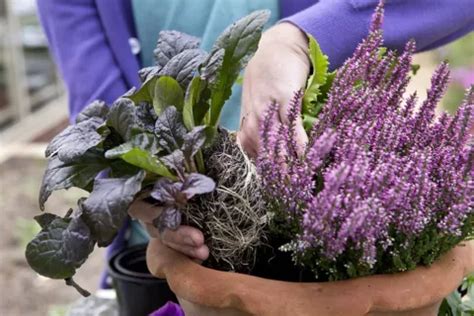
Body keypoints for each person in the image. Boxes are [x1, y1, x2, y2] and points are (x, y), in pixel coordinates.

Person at [37, 0, 474, 283]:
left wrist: (302, 37)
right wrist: (138, 183)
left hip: (330, 227)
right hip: (175, 242)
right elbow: (100, 108)